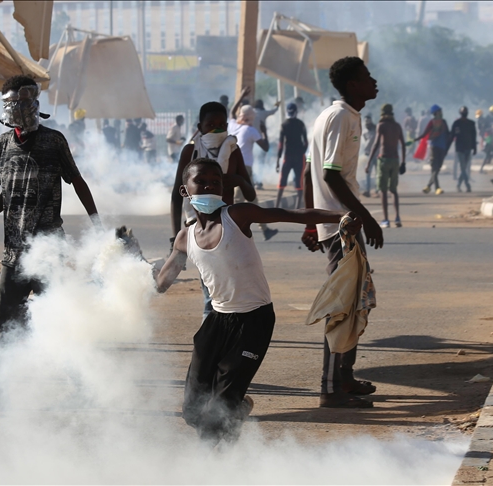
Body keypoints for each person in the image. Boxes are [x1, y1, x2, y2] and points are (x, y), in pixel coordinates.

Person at [156, 157, 362, 443]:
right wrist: (129, 272)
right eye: (200, 181)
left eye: (215, 182)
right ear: (184, 190)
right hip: (216, 323)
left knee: (221, 411)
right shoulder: (184, 238)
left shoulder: (237, 216)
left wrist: (341, 215)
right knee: (192, 411)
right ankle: (236, 414)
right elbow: (161, 282)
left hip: (253, 321)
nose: (209, 186)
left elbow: (292, 214)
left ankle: (220, 453)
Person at [0, 75, 100, 411]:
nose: (22, 108)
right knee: (5, 323)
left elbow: (77, 181)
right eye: (15, 102)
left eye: (27, 101)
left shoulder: (54, 141)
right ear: (5, 106)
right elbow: (8, 192)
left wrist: (97, 223)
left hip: (48, 251)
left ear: (36, 103)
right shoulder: (3, 144)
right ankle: (1, 392)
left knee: (57, 318)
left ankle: (82, 386)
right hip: (13, 253)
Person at [301, 56, 383, 408]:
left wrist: (311, 220)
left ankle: (344, 377)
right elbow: (329, 175)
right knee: (343, 306)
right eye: (367, 76)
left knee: (354, 300)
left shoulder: (333, 115)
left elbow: (308, 171)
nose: (374, 81)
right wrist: (366, 217)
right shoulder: (340, 117)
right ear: (352, 84)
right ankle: (331, 387)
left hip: (337, 222)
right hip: (342, 225)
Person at [171, 101, 258, 321]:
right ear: (200, 127)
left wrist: (237, 180)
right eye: (211, 125)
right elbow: (176, 195)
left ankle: (224, 327)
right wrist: (175, 237)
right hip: (198, 227)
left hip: (229, 229)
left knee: (232, 285)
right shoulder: (191, 151)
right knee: (210, 291)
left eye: (221, 125)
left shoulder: (233, 150)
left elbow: (250, 194)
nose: (217, 129)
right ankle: (210, 328)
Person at [228, 103, 277, 241]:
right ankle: (230, 230)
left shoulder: (233, 126)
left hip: (232, 166)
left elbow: (231, 112)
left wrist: (241, 97)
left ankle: (265, 229)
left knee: (252, 198)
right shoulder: (250, 130)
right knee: (238, 199)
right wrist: (264, 131)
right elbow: (265, 147)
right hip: (244, 168)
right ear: (251, 117)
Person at [367, 103, 406, 227]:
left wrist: (368, 162)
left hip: (384, 159)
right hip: (395, 160)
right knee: (393, 190)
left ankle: (386, 219)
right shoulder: (397, 126)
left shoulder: (381, 125)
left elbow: (376, 144)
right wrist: (403, 162)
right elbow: (403, 144)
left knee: (383, 191)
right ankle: (397, 217)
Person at [276, 102, 308, 209]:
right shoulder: (301, 124)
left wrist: (278, 160)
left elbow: (280, 145)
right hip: (299, 157)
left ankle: (276, 207)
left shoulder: (284, 125)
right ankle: (297, 209)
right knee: (299, 183)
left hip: (288, 156)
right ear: (296, 112)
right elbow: (306, 142)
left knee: (282, 181)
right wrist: (302, 152)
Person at [415, 105, 450, 195]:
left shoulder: (444, 122)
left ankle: (429, 186)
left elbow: (448, 135)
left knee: (437, 168)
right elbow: (424, 134)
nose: (441, 112)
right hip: (434, 147)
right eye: (440, 111)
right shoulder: (432, 122)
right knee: (435, 167)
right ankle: (436, 188)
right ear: (436, 113)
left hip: (442, 148)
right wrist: (415, 139)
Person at [450, 106, 477, 192]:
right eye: (463, 112)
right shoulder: (456, 123)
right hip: (460, 148)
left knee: (464, 168)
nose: (464, 113)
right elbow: (452, 136)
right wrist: (446, 147)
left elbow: (474, 136)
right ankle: (467, 185)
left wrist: (475, 148)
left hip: (468, 148)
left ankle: (458, 185)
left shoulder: (471, 123)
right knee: (463, 167)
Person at [361, 113, 377, 197]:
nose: (367, 123)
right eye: (366, 122)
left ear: (371, 122)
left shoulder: (376, 129)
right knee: (368, 172)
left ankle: (377, 190)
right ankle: (367, 190)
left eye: (368, 121)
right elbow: (365, 142)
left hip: (377, 154)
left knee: (378, 172)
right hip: (368, 154)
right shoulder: (364, 131)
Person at [478, 107, 493, 173]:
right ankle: (481, 169)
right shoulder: (487, 119)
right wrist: (485, 138)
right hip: (488, 138)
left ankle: (482, 168)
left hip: (492, 138)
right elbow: (483, 129)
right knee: (489, 154)